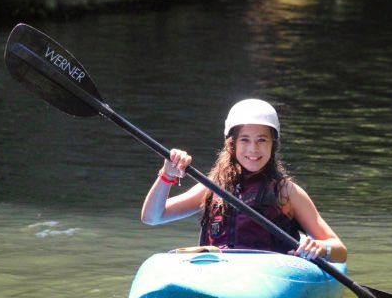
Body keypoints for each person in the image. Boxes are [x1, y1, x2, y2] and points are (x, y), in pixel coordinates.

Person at [141, 99, 347, 263]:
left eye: (262, 140)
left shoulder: (286, 192)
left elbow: (339, 250)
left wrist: (321, 248)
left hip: (270, 278)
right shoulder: (213, 187)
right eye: (245, 140)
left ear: (273, 145)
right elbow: (152, 217)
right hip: (217, 274)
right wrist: (167, 175)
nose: (253, 149)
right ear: (232, 144)